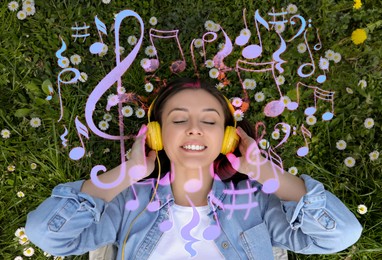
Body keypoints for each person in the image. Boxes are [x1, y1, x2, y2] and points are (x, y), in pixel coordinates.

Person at [25, 78, 362, 259]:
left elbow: (341, 234)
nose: (194, 128)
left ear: (228, 138)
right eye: (179, 119)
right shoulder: (128, 204)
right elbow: (47, 235)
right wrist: (128, 172)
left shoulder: (256, 204)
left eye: (209, 121)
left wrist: (266, 173)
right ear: (155, 134)